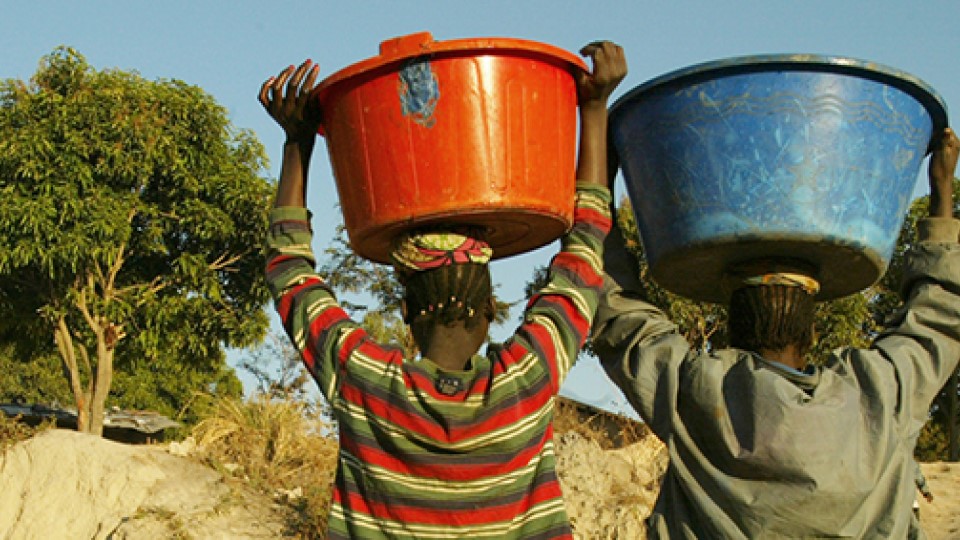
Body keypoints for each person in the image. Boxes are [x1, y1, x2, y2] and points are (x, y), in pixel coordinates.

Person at [261, 42, 626, 538]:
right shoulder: (527, 376)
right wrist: (595, 107)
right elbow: (585, 243)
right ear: (491, 307)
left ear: (407, 309)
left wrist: (297, 142)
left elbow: (289, 272)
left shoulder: (363, 380)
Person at [590, 127, 960, 538]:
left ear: (731, 330)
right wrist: (942, 193)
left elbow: (617, 314)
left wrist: (599, 181)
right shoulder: (879, 392)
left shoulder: (697, 393)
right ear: (813, 333)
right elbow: (937, 315)